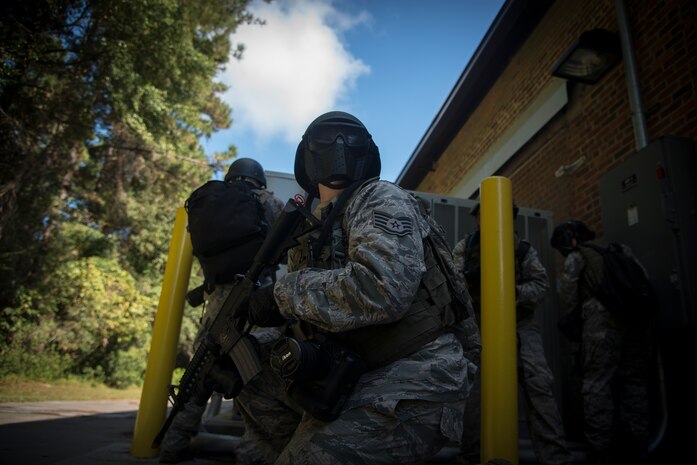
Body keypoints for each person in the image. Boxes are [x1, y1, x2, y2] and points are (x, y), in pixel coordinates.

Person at [242, 110, 481, 465]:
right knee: (252, 373)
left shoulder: (380, 197)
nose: (338, 149)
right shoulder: (312, 229)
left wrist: (282, 294)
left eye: (348, 140)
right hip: (351, 372)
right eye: (326, 141)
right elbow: (312, 321)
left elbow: (382, 289)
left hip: (413, 375)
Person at [159, 157, 286, 464]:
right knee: (254, 376)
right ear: (259, 181)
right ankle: (250, 453)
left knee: (199, 373)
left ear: (231, 178)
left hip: (216, 301)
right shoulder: (270, 202)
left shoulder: (209, 205)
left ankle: (172, 444)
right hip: (256, 301)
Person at [453, 202, 573, 465]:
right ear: (476, 219)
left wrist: (507, 291)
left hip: (520, 327)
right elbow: (452, 286)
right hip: (479, 329)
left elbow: (540, 285)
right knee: (473, 394)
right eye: (483, 214)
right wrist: (473, 282)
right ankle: (471, 456)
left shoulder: (521, 249)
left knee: (538, 386)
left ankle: (554, 458)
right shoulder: (466, 247)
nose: (489, 218)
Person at [551, 220, 652, 465]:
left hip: (600, 323)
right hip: (635, 321)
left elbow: (567, 296)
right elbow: (644, 280)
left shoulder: (578, 256)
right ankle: (637, 439)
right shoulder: (620, 249)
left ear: (571, 239)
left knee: (596, 382)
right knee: (635, 380)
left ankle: (601, 447)